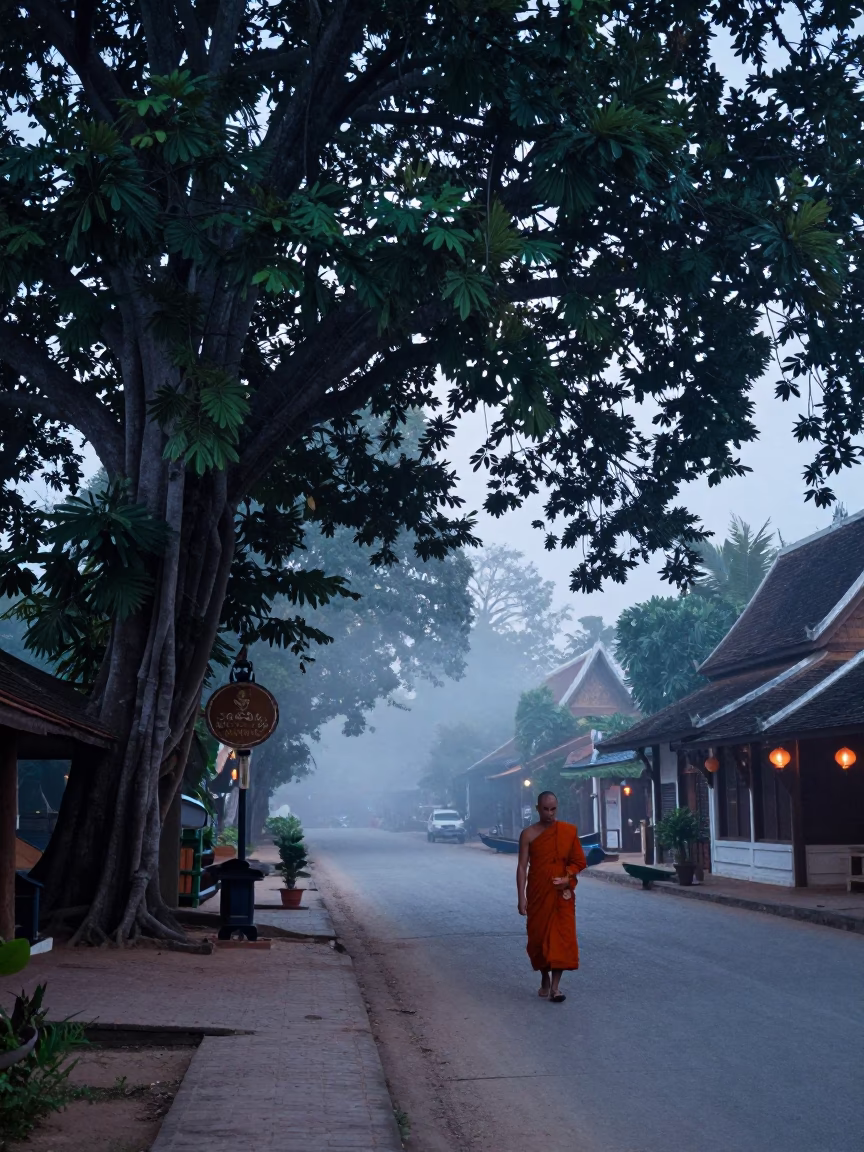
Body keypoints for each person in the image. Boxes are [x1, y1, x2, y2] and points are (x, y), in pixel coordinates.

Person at [516, 791, 587, 1003]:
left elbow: (578, 862)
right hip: (538, 893)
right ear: (538, 808)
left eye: (553, 809)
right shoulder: (528, 834)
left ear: (557, 807)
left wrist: (568, 877)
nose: (549, 813)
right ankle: (544, 978)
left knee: (561, 938)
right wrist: (521, 898)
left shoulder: (567, 831)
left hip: (561, 895)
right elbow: (521, 867)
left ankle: (556, 987)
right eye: (545, 809)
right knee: (538, 939)